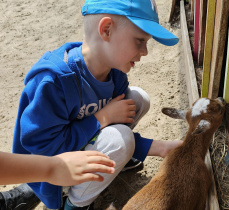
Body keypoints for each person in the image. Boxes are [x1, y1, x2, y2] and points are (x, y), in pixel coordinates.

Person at [0, 0, 182, 209]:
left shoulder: (115, 73)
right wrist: (101, 118)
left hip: (82, 144)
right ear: (106, 30)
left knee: (139, 100)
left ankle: (114, 162)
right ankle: (75, 204)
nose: (145, 51)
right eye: (139, 40)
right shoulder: (55, 81)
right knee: (120, 139)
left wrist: (159, 147)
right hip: (50, 166)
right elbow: (44, 150)